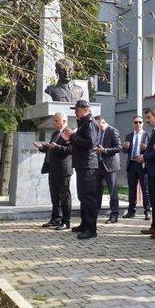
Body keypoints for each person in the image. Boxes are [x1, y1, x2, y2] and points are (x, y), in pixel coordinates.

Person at [62, 100, 100, 240]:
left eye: (77, 109)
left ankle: (91, 229)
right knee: (83, 197)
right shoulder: (84, 122)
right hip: (82, 164)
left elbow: (90, 144)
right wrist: (71, 138)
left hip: (88, 164)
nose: (75, 112)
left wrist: (72, 136)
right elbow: (81, 142)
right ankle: (84, 224)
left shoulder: (90, 123)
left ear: (86, 109)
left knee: (88, 197)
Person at [34, 112, 72, 230]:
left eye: (56, 121)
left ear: (64, 121)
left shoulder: (69, 133)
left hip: (63, 169)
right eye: (54, 120)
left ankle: (66, 221)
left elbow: (71, 150)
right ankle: (55, 219)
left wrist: (57, 147)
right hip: (52, 168)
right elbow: (51, 148)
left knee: (64, 196)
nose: (54, 123)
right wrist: (42, 147)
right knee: (55, 196)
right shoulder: (55, 133)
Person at [135, 108, 155, 238]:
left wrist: (144, 158)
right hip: (152, 170)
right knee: (154, 200)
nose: (147, 121)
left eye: (149, 118)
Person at [93, 115, 122, 223]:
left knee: (112, 191)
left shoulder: (112, 131)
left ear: (102, 122)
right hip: (99, 165)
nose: (95, 127)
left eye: (96, 124)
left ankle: (114, 215)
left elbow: (118, 148)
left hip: (110, 165)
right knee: (97, 190)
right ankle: (95, 213)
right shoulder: (98, 132)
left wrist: (105, 150)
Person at [122, 115, 150, 220]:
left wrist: (146, 149)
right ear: (133, 124)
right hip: (132, 164)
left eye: (140, 122)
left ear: (143, 123)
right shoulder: (129, 135)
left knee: (145, 189)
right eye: (135, 122)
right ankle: (131, 211)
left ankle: (147, 211)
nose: (138, 124)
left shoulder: (147, 135)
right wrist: (125, 147)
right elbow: (124, 151)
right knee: (132, 190)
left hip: (142, 165)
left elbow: (151, 151)